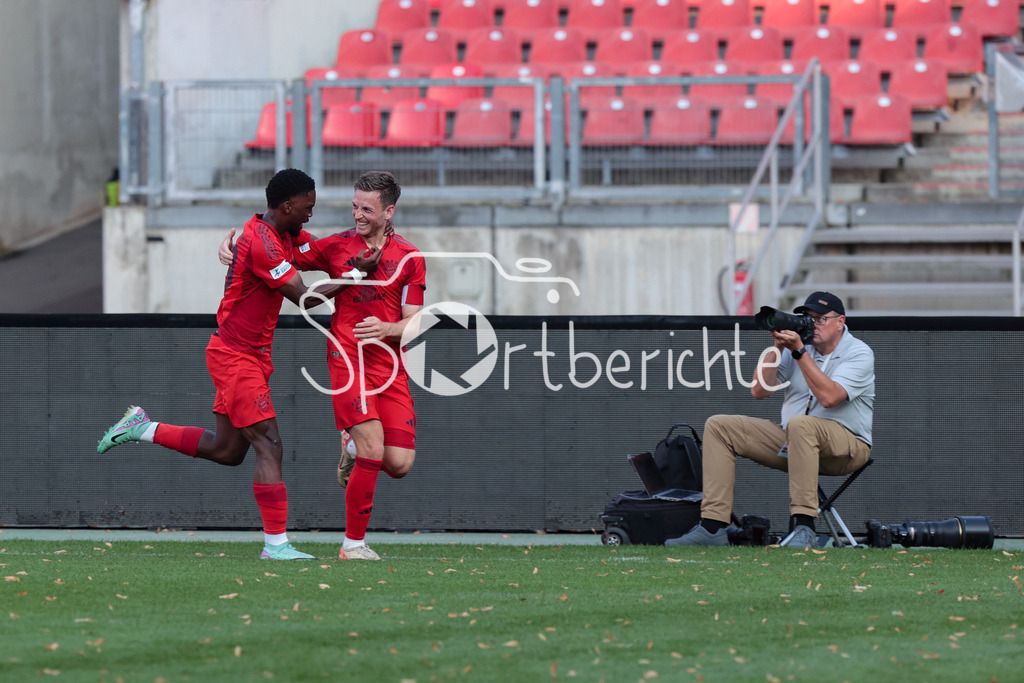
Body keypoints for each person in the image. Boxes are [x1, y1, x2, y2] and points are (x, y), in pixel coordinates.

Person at [98, 168, 378, 561]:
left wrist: (359, 253)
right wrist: (354, 275)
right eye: (307, 207)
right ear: (286, 205)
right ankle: (276, 546)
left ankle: (143, 427)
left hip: (249, 354)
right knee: (270, 444)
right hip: (236, 356)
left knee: (227, 450)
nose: (311, 215)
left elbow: (322, 250)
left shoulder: (282, 233)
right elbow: (306, 298)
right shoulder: (262, 241)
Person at [219, 170, 425, 561]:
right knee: (372, 448)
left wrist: (389, 327)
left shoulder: (411, 258)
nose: (357, 214)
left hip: (389, 366)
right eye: (354, 206)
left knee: (398, 463)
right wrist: (233, 248)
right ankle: (353, 545)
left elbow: (414, 323)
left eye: (366, 208)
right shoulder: (334, 247)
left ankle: (350, 445)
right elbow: (274, 246)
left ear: (389, 210)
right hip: (347, 358)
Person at [667, 291, 874, 549]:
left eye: (820, 319)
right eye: (807, 318)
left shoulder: (859, 353)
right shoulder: (798, 347)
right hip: (796, 440)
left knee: (801, 424)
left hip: (847, 448)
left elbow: (829, 397)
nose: (812, 325)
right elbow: (759, 390)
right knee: (720, 426)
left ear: (840, 321)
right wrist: (777, 347)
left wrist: (799, 352)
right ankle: (712, 527)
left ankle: (804, 528)